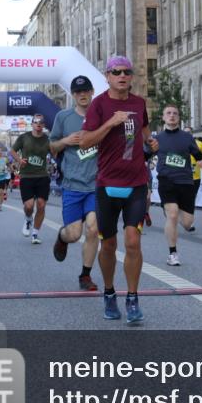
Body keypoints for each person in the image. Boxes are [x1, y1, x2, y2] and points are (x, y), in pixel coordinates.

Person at [81, 56, 159, 324]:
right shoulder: (99, 104)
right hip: (107, 185)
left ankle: (133, 298)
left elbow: (144, 127)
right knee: (109, 244)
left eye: (127, 71)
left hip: (136, 183)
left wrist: (150, 141)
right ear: (107, 76)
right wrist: (110, 123)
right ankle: (109, 292)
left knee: (133, 241)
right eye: (116, 72)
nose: (122, 76)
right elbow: (85, 142)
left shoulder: (138, 103)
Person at [50, 76, 102, 292]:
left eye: (86, 91)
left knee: (93, 229)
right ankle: (62, 238)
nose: (82, 95)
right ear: (73, 95)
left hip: (96, 185)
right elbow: (52, 147)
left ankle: (85, 275)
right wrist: (65, 141)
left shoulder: (101, 115)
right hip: (72, 184)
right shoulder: (63, 117)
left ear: (92, 92)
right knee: (73, 234)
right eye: (78, 92)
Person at [154, 104, 202, 266]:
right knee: (172, 215)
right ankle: (173, 254)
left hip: (185, 182)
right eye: (168, 113)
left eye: (175, 113)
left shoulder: (187, 137)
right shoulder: (157, 139)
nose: (172, 115)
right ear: (163, 117)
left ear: (178, 117)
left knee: (187, 223)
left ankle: (173, 213)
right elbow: (143, 155)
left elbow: (199, 155)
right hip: (166, 181)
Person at [12, 114, 52, 244]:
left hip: (42, 176)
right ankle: (28, 218)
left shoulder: (48, 139)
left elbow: (55, 152)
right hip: (27, 175)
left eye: (41, 122)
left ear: (44, 125)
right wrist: (19, 160)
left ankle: (35, 233)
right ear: (32, 124)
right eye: (36, 122)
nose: (38, 124)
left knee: (41, 205)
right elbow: (12, 151)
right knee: (29, 206)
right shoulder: (24, 137)